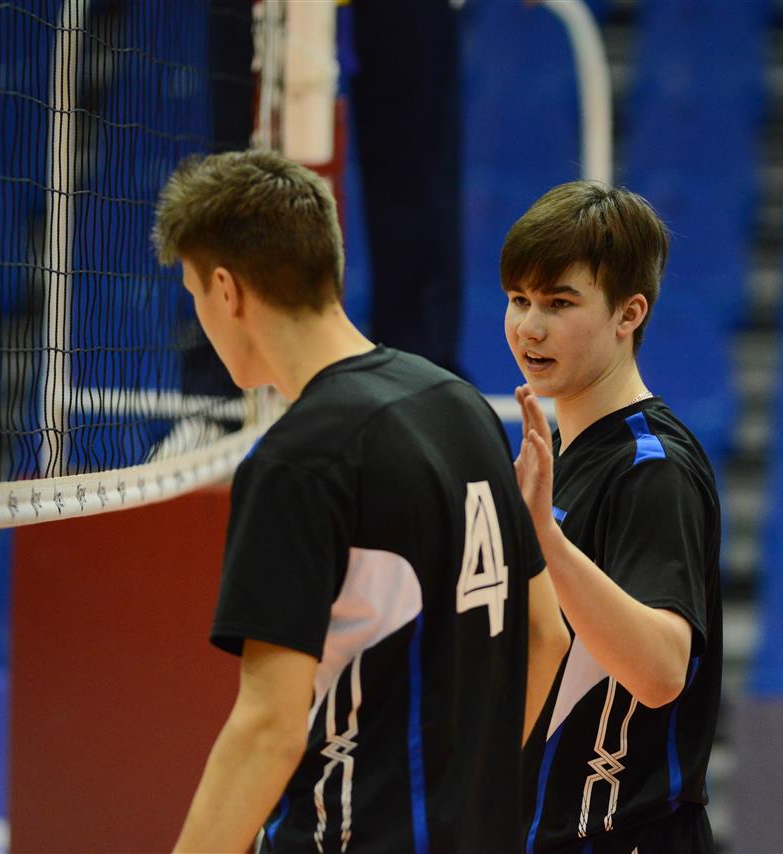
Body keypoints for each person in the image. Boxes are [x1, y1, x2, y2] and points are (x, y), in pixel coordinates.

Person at [152, 149, 570, 852]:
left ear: (226, 290)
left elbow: (267, 730)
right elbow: (547, 636)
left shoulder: (298, 461)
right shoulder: (460, 405)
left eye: (194, 292)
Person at [504, 182, 723, 853]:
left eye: (559, 303)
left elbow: (661, 671)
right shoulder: (559, 453)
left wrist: (544, 539)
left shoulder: (652, 469)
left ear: (629, 313)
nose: (530, 327)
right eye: (519, 299)